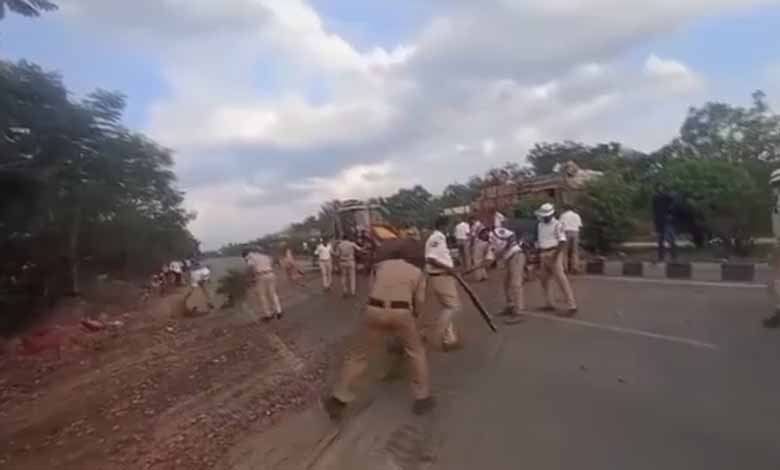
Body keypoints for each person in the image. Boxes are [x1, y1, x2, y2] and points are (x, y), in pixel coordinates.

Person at [322, 239, 434, 420]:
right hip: (402, 312)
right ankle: (422, 397)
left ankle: (339, 398)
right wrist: (415, 319)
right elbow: (419, 301)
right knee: (416, 352)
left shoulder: (379, 266)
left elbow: (370, 290)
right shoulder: (417, 272)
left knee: (359, 356)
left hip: (374, 309)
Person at [425, 216, 462, 351]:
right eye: (449, 225)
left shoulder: (439, 238)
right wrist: (449, 269)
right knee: (453, 307)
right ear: (444, 225)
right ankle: (436, 334)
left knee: (447, 307)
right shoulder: (437, 238)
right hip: (441, 276)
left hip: (442, 276)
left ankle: (450, 339)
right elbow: (431, 258)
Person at [535, 203, 578, 316]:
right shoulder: (540, 224)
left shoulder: (557, 224)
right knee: (544, 280)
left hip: (553, 252)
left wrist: (556, 255)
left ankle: (572, 305)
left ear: (551, 214)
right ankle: (549, 303)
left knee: (561, 280)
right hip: (543, 252)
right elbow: (541, 238)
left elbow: (562, 241)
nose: (544, 217)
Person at [243, 247, 283, 321]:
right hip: (271, 274)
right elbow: (272, 262)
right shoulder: (263, 255)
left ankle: (268, 314)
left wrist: (248, 279)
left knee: (262, 296)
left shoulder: (249, 257)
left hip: (261, 276)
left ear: (245, 254)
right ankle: (279, 312)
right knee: (273, 294)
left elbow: (250, 267)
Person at [652, 185, 677, 262]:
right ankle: (663, 257)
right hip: (661, 221)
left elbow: (673, 204)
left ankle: (671, 256)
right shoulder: (658, 197)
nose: (661, 189)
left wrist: (670, 214)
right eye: (659, 187)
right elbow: (654, 210)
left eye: (662, 187)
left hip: (665, 220)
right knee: (662, 239)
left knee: (668, 239)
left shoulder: (665, 197)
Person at [559, 205, 583, 274]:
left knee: (564, 251)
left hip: (566, 232)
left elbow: (560, 226)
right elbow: (579, 226)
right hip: (575, 232)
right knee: (575, 251)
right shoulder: (576, 215)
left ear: (566, 209)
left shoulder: (563, 215)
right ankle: (575, 267)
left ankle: (565, 267)